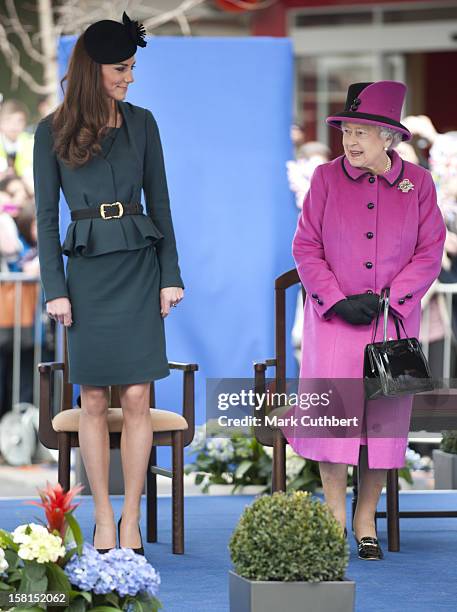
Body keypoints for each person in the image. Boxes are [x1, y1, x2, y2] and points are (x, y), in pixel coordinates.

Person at [33, 11, 184, 555]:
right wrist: (56, 287)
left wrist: (171, 275)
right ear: (93, 68)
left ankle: (131, 520)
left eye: (132, 67)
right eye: (122, 67)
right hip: (88, 273)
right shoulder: (49, 131)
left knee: (139, 395)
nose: (130, 77)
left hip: (141, 265)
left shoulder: (144, 123)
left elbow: (162, 203)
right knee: (94, 398)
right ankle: (101, 516)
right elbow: (46, 219)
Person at [282, 81, 446, 560]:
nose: (351, 142)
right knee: (334, 420)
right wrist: (334, 299)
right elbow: (306, 246)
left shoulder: (419, 184)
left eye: (362, 132)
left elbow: (429, 251)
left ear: (389, 138)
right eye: (347, 131)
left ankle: (365, 517)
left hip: (393, 326)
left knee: (384, 424)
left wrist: (394, 298)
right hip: (334, 324)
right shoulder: (327, 178)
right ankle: (335, 516)